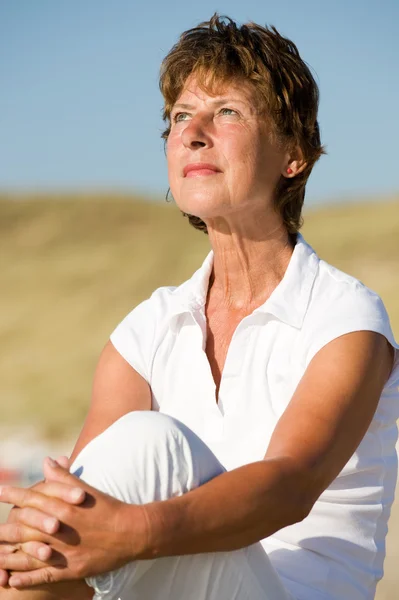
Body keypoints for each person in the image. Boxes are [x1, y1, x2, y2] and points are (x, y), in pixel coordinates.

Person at [0, 13, 398, 600]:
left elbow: (290, 486)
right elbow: (79, 525)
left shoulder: (346, 321)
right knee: (46, 530)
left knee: (149, 444)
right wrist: (30, 544)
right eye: (181, 116)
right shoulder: (145, 333)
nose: (191, 132)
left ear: (294, 155)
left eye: (227, 112)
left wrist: (132, 533)